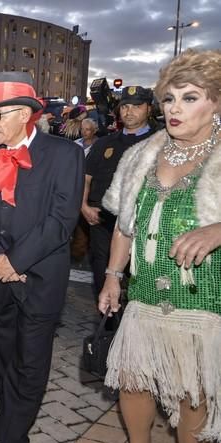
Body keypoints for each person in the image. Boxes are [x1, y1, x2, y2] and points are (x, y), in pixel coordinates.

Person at [99, 49, 221, 443]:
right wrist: (113, 277)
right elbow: (124, 226)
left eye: (189, 98)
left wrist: (219, 228)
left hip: (203, 299)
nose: (174, 108)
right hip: (145, 294)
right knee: (132, 383)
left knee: (193, 396)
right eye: (169, 98)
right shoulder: (141, 155)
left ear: (216, 102)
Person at [0, 72, 83, 443]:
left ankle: (12, 435)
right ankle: (7, 412)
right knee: (3, 358)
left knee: (31, 362)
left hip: (38, 278)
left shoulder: (65, 154)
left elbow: (60, 222)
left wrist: (15, 263)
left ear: (22, 114)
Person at [83, 87, 156, 303]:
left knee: (138, 277)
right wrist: (83, 206)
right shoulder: (105, 143)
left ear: (149, 109)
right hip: (103, 220)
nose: (129, 111)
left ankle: (129, 330)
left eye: (137, 106)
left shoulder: (160, 142)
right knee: (101, 272)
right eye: (125, 106)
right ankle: (107, 330)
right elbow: (85, 178)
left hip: (144, 223)